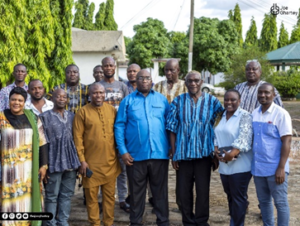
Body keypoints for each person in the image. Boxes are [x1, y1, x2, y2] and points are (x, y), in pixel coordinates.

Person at [166, 71, 223, 226]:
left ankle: (201, 221)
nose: (193, 83)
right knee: (183, 192)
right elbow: (172, 128)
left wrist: (216, 151)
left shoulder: (213, 102)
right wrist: (174, 153)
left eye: (196, 80)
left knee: (203, 191)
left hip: (205, 155)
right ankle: (188, 221)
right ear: (185, 82)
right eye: (189, 80)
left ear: (201, 81)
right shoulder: (178, 101)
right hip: (183, 155)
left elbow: (222, 123)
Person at [114, 69, 170, 226]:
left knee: (160, 193)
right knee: (137, 194)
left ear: (151, 81)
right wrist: (123, 151)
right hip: (135, 156)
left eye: (147, 78)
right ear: (135, 81)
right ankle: (136, 222)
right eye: (141, 78)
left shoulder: (161, 100)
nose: (144, 80)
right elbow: (119, 127)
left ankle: (163, 222)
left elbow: (169, 125)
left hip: (159, 154)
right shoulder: (127, 101)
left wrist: (171, 147)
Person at [73, 83, 121, 226]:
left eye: (101, 92)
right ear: (89, 94)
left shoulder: (112, 110)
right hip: (90, 164)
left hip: (110, 163)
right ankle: (94, 223)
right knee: (91, 199)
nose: (98, 95)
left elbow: (118, 133)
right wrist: (82, 160)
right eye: (95, 93)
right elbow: (77, 139)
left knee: (109, 198)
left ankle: (108, 223)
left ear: (105, 94)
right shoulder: (82, 112)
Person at [0, 87, 48, 226]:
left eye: (20, 100)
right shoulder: (1, 117)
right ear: (8, 100)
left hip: (29, 171)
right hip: (7, 171)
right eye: (13, 99)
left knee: (27, 201)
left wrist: (43, 165)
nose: (16, 103)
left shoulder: (33, 118)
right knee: (9, 201)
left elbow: (42, 142)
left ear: (24, 102)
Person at [252, 83, 292, 226]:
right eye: (260, 92)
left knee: (280, 203)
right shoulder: (255, 113)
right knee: (264, 202)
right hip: (258, 168)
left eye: (267, 92)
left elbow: (287, 140)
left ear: (273, 95)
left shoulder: (281, 114)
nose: (263, 95)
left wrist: (281, 167)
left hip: (275, 168)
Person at [39, 89, 81, 226]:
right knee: (51, 196)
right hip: (53, 162)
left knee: (67, 195)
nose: (62, 99)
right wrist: (44, 164)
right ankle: (49, 222)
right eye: (58, 96)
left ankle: (62, 221)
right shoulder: (44, 117)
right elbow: (41, 142)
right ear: (53, 98)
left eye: (64, 97)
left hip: (70, 162)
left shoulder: (72, 116)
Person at [214, 89, 253, 226]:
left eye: (233, 100)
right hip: (224, 165)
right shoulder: (221, 115)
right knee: (230, 195)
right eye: (226, 100)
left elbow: (245, 138)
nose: (229, 102)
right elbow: (216, 134)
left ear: (239, 101)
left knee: (238, 198)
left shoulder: (245, 116)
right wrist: (216, 149)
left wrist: (231, 154)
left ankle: (236, 224)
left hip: (240, 165)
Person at [100, 56, 130, 213]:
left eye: (111, 65)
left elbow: (127, 108)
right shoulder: (97, 86)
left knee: (122, 169)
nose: (109, 68)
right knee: (102, 167)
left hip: (120, 133)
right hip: (102, 134)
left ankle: (123, 199)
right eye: (106, 65)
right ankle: (102, 199)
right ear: (102, 67)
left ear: (115, 67)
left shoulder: (122, 86)